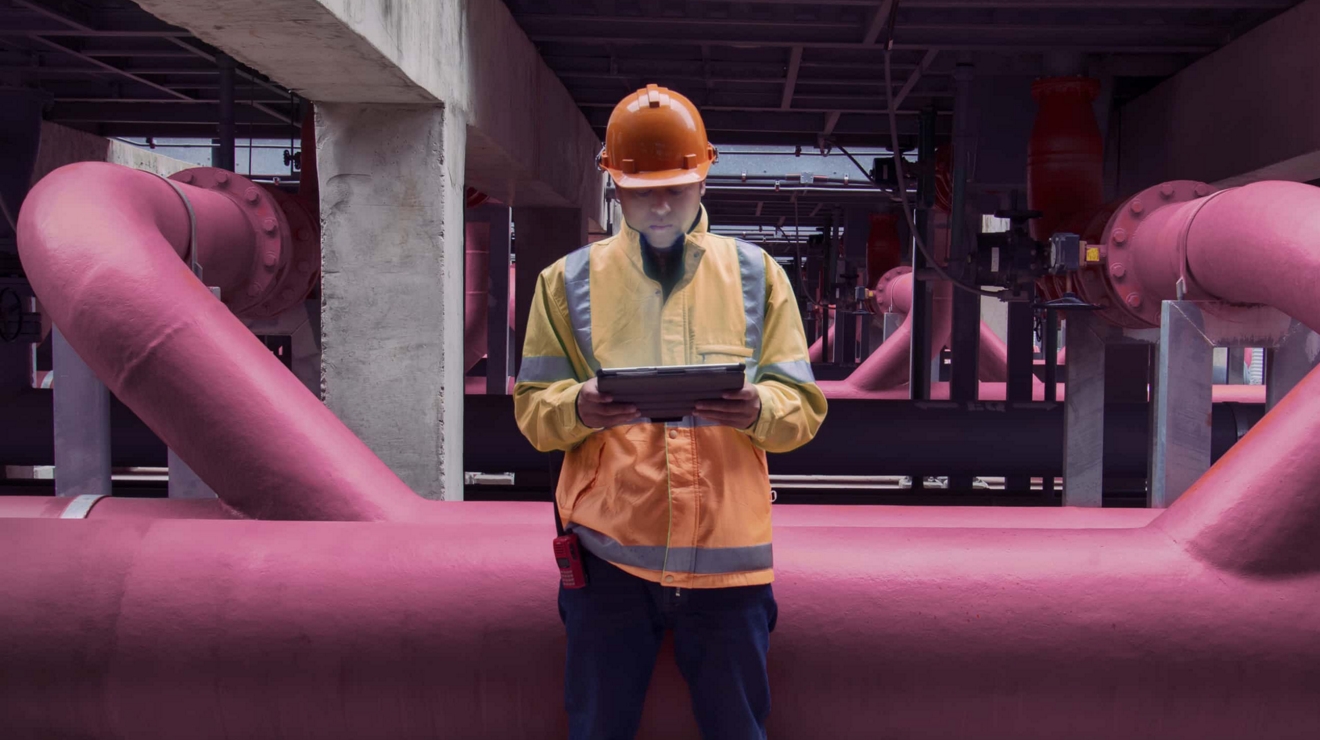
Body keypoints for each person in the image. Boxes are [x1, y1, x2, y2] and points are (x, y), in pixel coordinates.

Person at [513, 84, 827, 740]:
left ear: (704, 178)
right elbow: (533, 413)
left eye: (676, 189)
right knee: (598, 729)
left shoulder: (756, 275)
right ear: (615, 187)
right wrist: (582, 406)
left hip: (728, 558)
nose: (660, 204)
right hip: (609, 562)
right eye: (643, 190)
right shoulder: (566, 282)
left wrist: (754, 409)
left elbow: (801, 408)